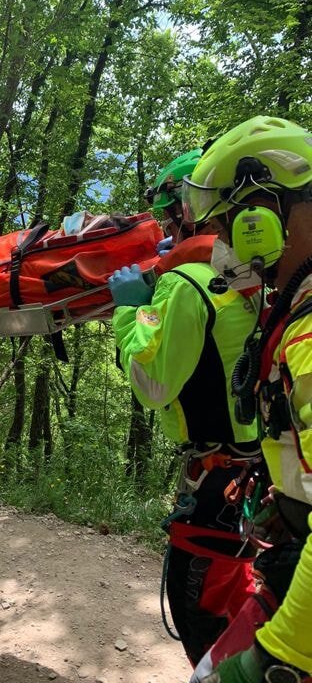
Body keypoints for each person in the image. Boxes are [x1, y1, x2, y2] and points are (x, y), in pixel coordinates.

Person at [108, 150, 263, 667]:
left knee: (205, 616)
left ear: (187, 209)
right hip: (265, 476)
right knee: (250, 608)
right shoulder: (265, 283)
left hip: (218, 484)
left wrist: (130, 307)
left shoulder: (186, 284)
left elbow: (152, 383)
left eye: (167, 213)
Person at [182, 115, 312, 681]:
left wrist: (276, 657)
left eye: (233, 224)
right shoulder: (293, 310)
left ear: (268, 212)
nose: (227, 245)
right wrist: (290, 504)